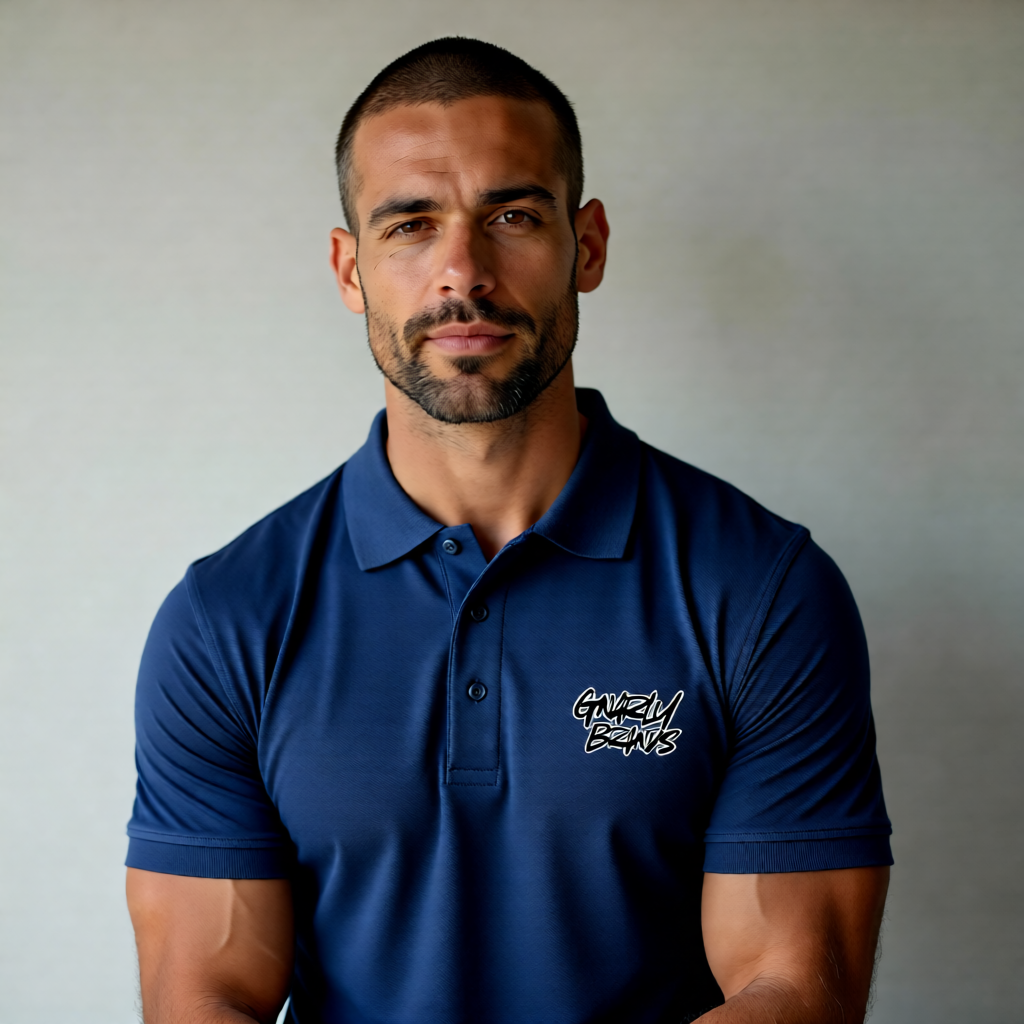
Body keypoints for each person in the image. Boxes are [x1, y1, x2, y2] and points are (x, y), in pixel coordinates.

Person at [125, 37, 892, 1024]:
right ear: (350, 268)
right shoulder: (229, 618)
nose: (463, 273)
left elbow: (794, 987)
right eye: (411, 225)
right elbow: (204, 995)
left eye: (513, 217)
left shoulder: (761, 589)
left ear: (587, 246)